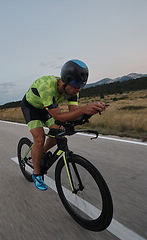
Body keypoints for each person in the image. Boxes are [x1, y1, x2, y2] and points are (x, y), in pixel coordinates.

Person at [21, 59, 107, 191]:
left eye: (81, 85)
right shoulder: (47, 87)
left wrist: (91, 111)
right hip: (31, 108)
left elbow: (74, 113)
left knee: (58, 131)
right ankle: (37, 174)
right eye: (75, 85)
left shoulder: (73, 90)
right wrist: (84, 109)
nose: (78, 89)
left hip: (46, 109)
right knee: (39, 138)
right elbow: (59, 116)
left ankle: (39, 154)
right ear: (65, 81)